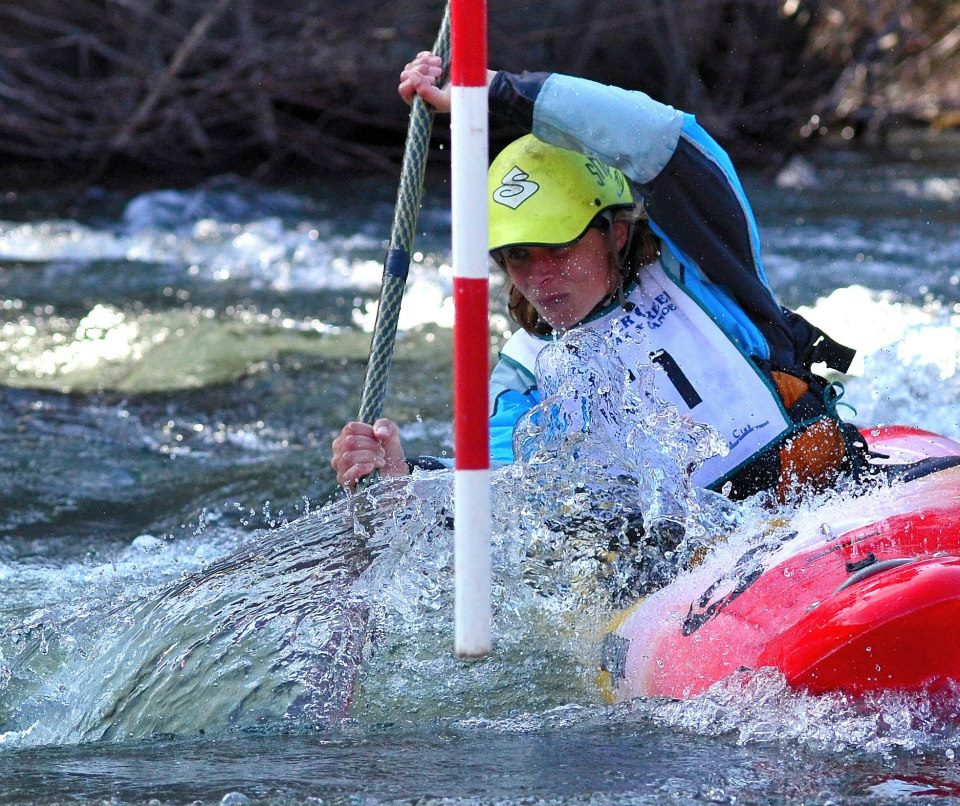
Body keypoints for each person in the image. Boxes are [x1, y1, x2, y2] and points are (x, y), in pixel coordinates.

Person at [331, 52, 865, 501]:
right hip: (703, 574)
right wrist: (401, 483)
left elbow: (664, 137)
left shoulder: (707, 271)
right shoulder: (526, 374)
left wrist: (497, 92)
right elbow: (493, 495)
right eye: (517, 255)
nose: (537, 277)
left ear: (615, 232)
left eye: (558, 247)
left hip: (821, 499)